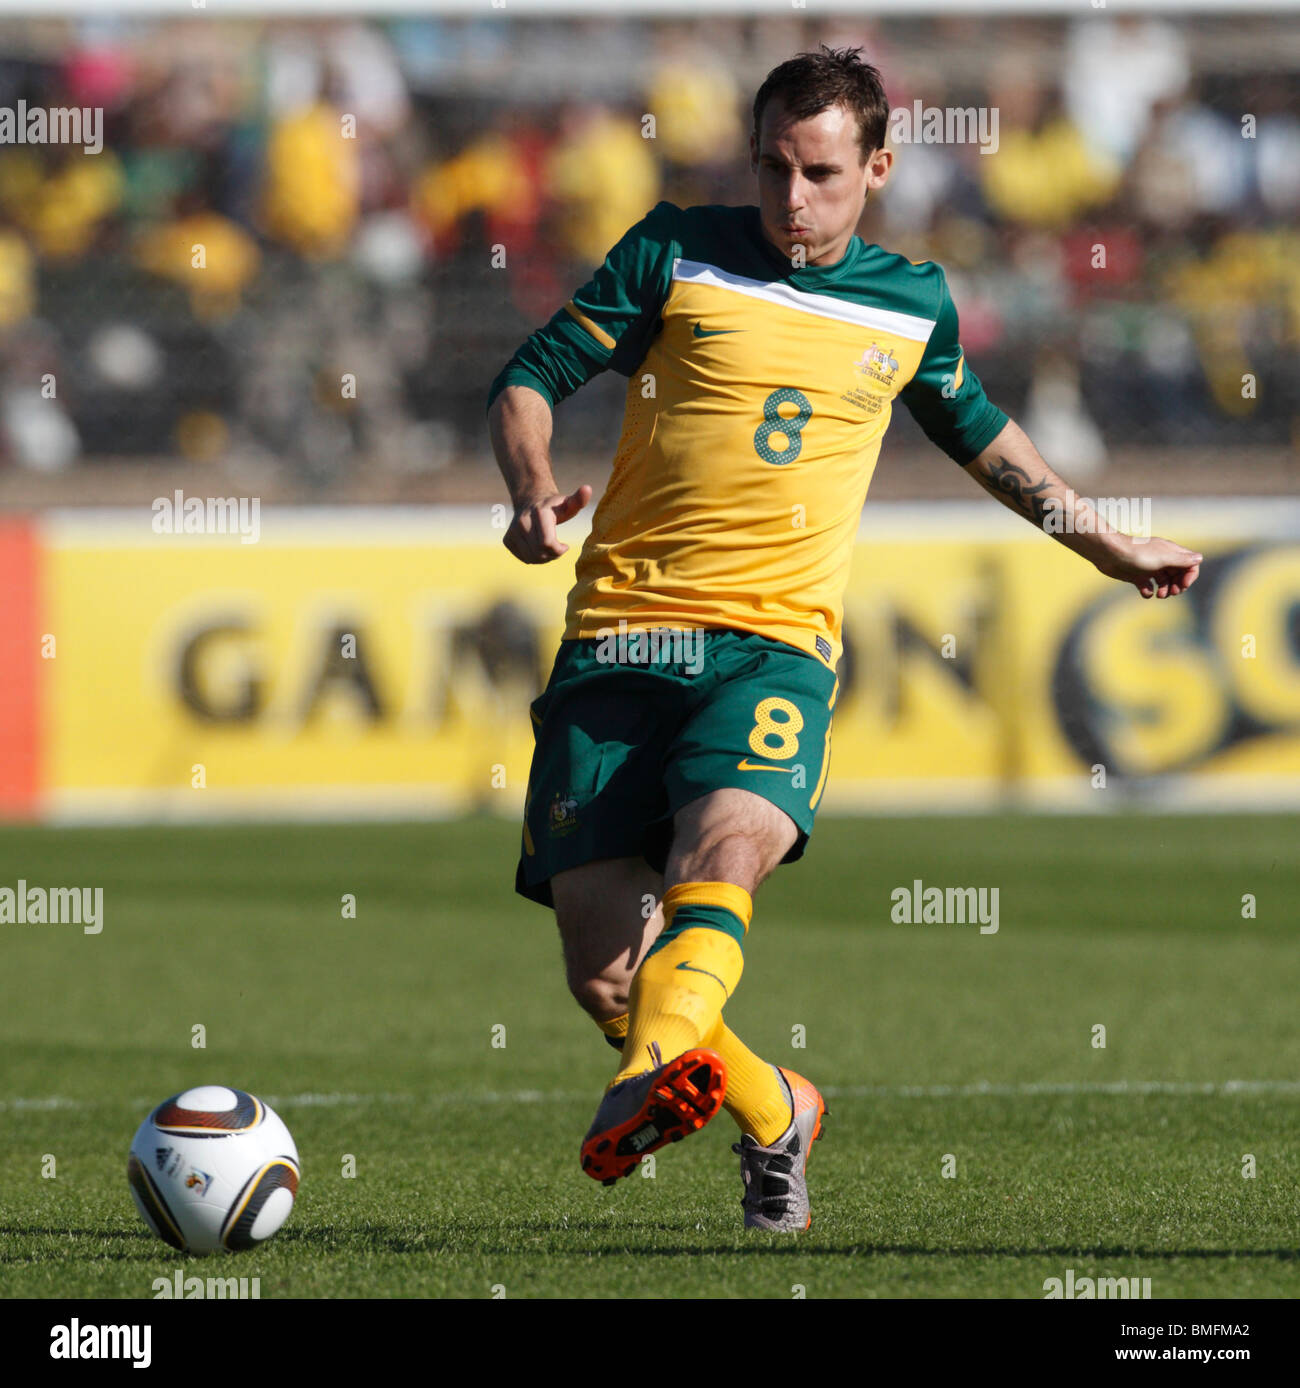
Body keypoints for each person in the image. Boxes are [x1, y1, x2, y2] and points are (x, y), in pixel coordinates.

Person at [485, 46, 1201, 1232]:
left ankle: (643, 1079)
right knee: (610, 976)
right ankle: (776, 1107)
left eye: (819, 172)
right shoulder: (672, 249)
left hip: (773, 647)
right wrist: (527, 491)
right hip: (621, 637)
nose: (791, 197)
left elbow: (984, 435)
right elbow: (529, 375)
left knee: (723, 851)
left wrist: (1103, 541)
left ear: (877, 167)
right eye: (772, 167)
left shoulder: (908, 301)